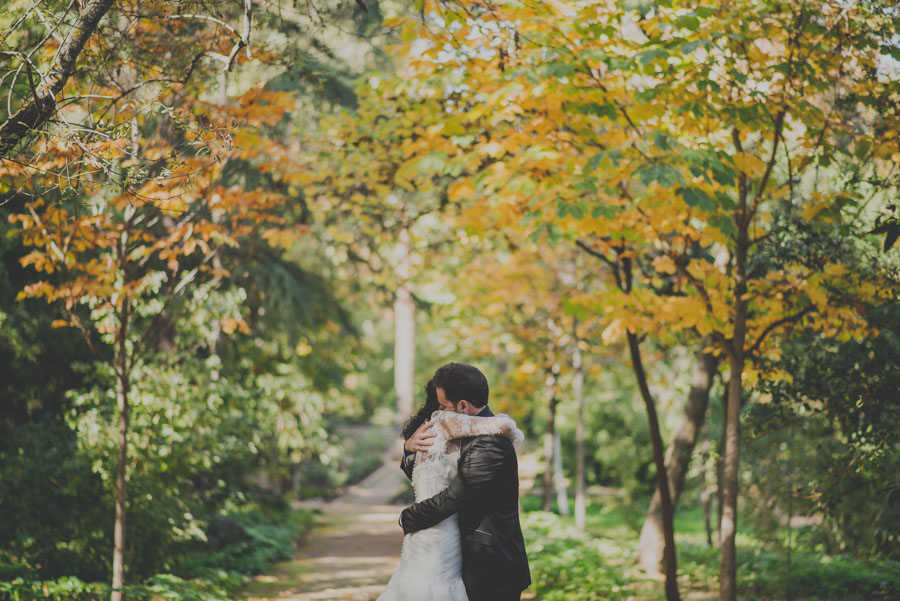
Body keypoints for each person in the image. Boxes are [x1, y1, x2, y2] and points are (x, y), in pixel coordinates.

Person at [376, 363, 531, 601]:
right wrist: (409, 449)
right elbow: (429, 477)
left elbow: (455, 496)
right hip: (461, 557)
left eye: (443, 406)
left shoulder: (491, 443)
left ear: (462, 406)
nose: (439, 411)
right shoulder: (459, 432)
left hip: (491, 567)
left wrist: (405, 518)